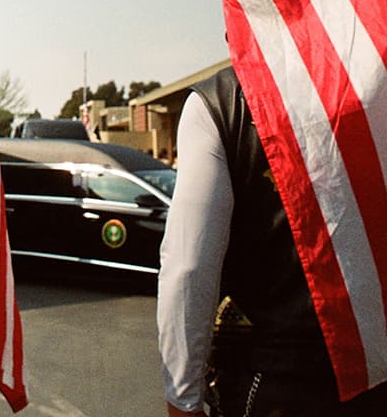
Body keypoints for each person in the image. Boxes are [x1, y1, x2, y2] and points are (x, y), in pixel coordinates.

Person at [156, 66, 387, 416]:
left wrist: (182, 399)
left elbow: (188, 269)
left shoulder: (219, 101)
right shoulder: (374, 81)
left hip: (274, 378)